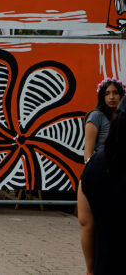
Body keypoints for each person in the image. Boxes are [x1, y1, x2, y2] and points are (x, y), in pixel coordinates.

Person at [78, 96, 126, 274]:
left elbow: (85, 223)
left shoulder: (94, 167)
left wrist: (90, 269)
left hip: (106, 265)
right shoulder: (96, 117)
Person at [84, 78, 124, 162]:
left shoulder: (122, 117)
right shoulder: (96, 116)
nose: (112, 97)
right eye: (107, 93)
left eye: (115, 93)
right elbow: (88, 154)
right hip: (103, 167)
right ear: (102, 96)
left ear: (121, 95)